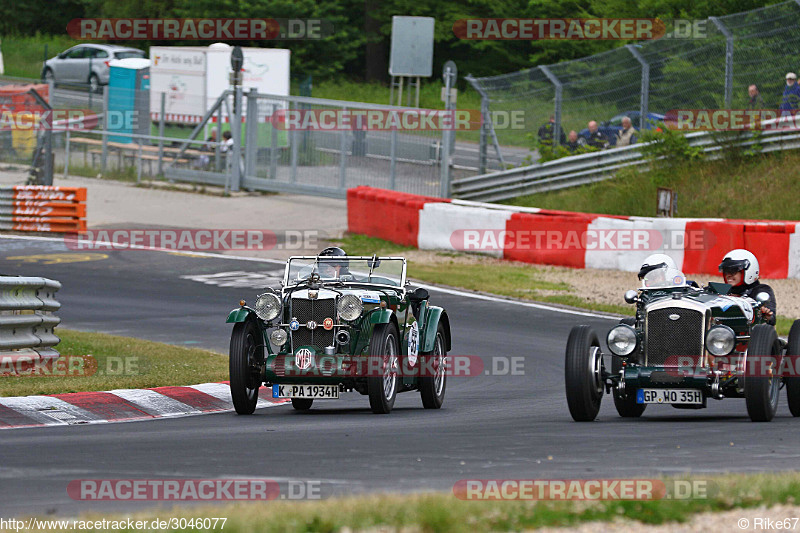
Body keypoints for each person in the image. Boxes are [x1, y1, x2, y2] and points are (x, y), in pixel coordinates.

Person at [718, 249, 776, 325]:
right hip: (719, 333)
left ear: (748, 271)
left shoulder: (760, 291)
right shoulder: (721, 291)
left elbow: (772, 319)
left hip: (750, 334)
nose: (728, 275)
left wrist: (766, 315)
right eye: (726, 271)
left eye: (733, 271)